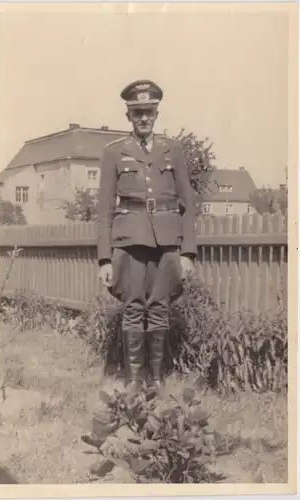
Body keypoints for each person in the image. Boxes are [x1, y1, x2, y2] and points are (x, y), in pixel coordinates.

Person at [97, 79, 197, 394]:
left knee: (159, 306)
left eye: (149, 112)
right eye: (137, 112)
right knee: (133, 307)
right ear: (128, 115)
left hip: (167, 240)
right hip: (129, 241)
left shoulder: (174, 149)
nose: (143, 118)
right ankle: (134, 379)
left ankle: (156, 378)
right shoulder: (114, 152)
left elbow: (188, 203)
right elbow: (104, 210)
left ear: (156, 113)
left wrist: (188, 252)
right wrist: (104, 258)